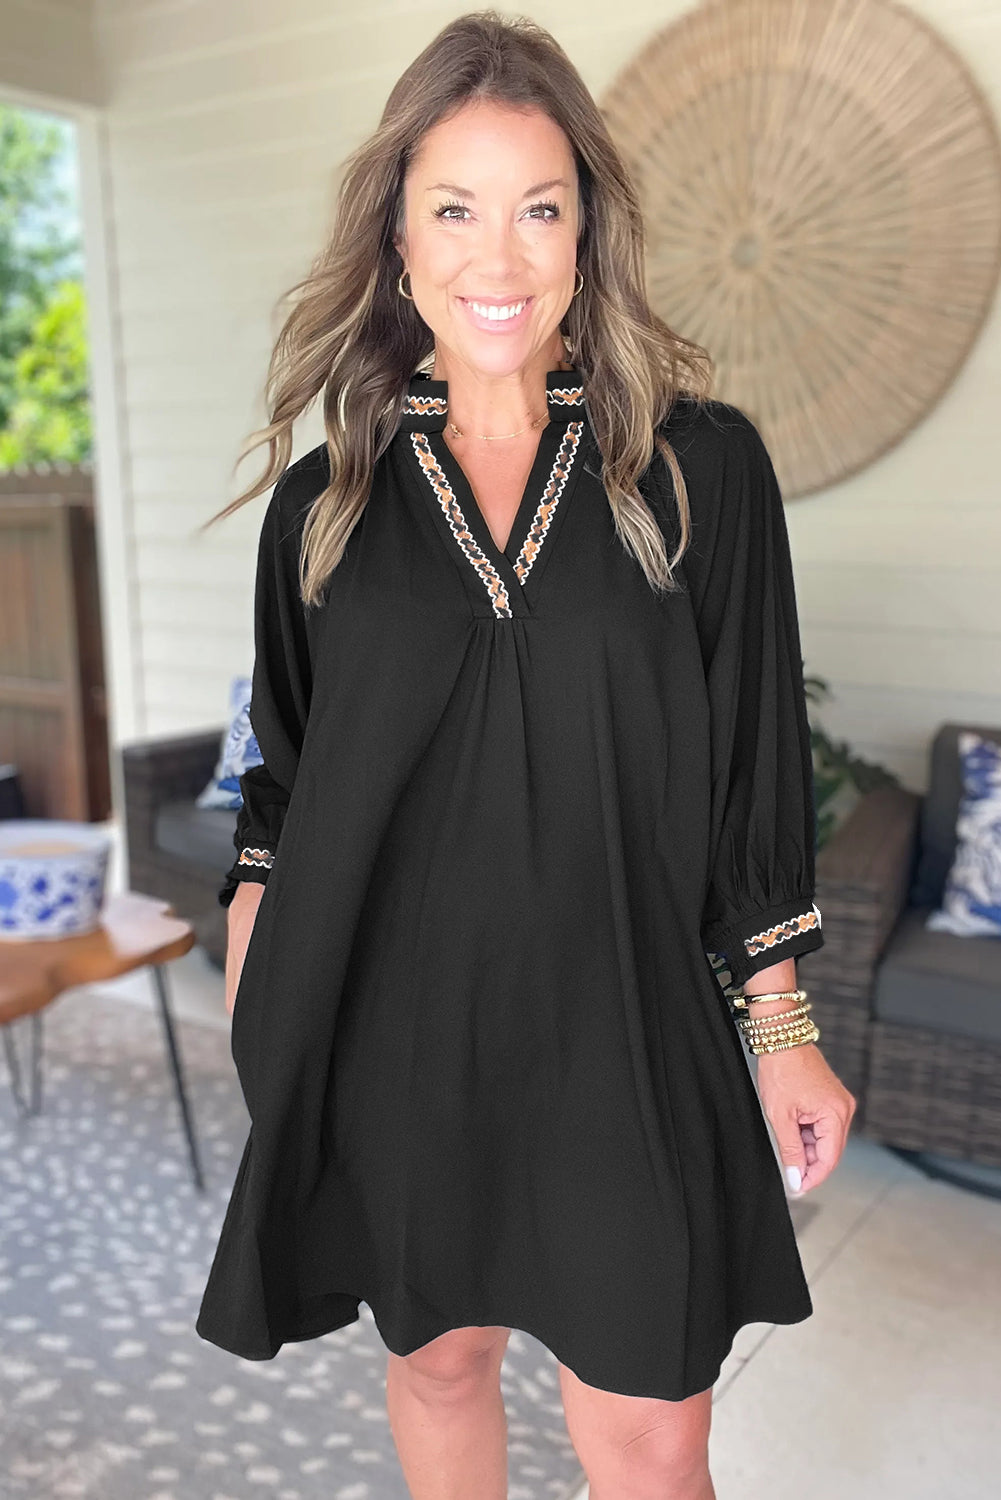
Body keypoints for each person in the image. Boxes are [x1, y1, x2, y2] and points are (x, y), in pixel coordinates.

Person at [196, 11, 856, 1498]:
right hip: (400, 1035)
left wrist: (777, 1018)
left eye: (538, 208)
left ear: (586, 229)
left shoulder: (701, 469)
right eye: (455, 208)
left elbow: (751, 758)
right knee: (438, 1364)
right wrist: (253, 915)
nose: (497, 258)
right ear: (396, 231)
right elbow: (286, 772)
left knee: (645, 1424)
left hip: (623, 1027)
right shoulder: (326, 504)